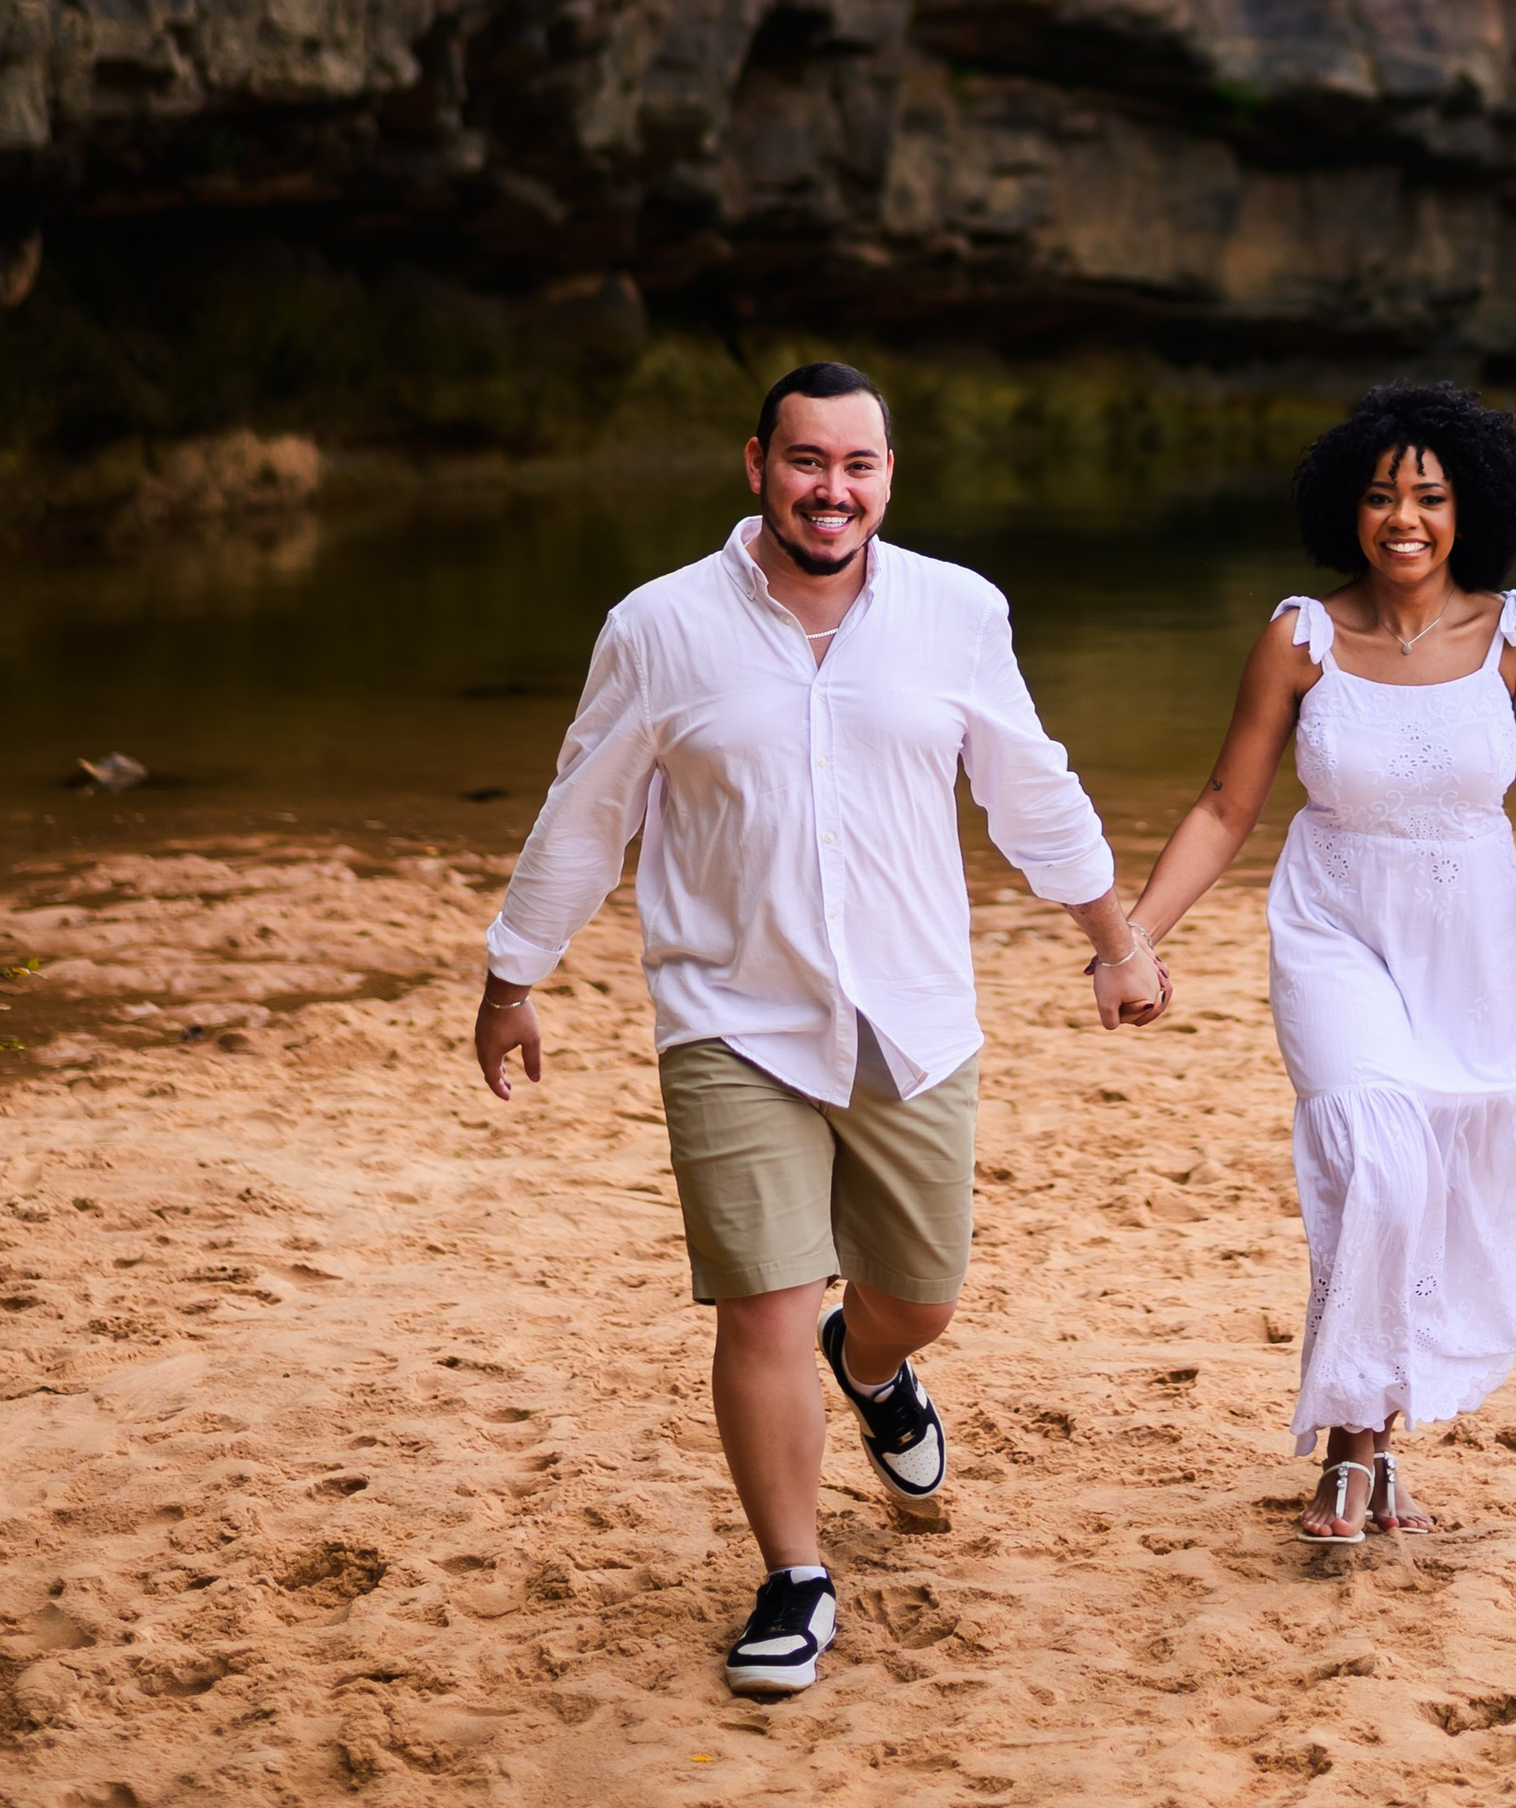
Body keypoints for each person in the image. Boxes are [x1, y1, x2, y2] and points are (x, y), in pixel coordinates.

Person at [472, 361, 1169, 1697]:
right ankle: (794, 1574)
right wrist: (516, 971)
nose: (830, 488)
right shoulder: (660, 626)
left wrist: (1114, 940)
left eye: (858, 464)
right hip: (731, 1013)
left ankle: (878, 1364)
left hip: (911, 1011)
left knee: (922, 1292)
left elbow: (1031, 786)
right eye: (807, 460)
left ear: (887, 477)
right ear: (757, 463)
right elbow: (587, 808)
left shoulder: (956, 611)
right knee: (763, 1306)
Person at [1129, 379, 1516, 1544]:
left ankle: (1374, 1440)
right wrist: (1135, 934)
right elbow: (1227, 804)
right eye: (1382, 495)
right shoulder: (1300, 637)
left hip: (1471, 954)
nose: (1404, 519)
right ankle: (1350, 1449)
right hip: (1333, 929)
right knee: (1376, 1149)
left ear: (1466, 507)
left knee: (1428, 1182)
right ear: (1348, 505)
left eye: (1429, 497)